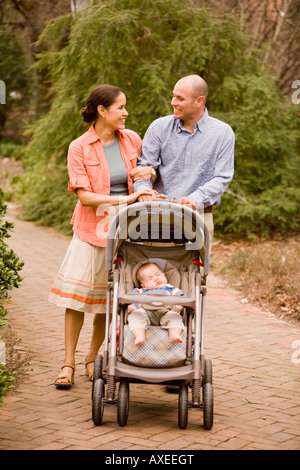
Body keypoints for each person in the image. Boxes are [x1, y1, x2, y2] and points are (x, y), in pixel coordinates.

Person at [49, 84, 156, 388]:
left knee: (108, 300)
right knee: (78, 299)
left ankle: (91, 358)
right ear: (102, 110)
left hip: (127, 232)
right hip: (90, 231)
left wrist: (149, 179)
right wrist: (128, 201)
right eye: (120, 107)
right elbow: (84, 197)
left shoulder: (132, 139)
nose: (126, 113)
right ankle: (67, 362)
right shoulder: (79, 147)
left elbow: (146, 173)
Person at [133, 74, 235, 248]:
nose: (173, 102)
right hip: (157, 216)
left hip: (198, 218)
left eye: (180, 98)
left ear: (199, 101)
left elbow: (222, 177)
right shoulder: (159, 127)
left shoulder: (223, 133)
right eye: (173, 96)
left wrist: (194, 198)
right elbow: (144, 168)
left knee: (194, 275)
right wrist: (144, 191)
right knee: (155, 273)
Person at [127, 263, 185, 346]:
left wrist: (180, 305)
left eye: (158, 274)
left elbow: (183, 299)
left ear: (164, 275)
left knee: (175, 317)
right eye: (149, 279)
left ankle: (175, 334)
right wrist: (132, 305)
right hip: (145, 313)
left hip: (167, 312)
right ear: (143, 285)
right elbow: (131, 298)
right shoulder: (141, 291)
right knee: (135, 315)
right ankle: (139, 336)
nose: (155, 278)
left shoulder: (173, 290)